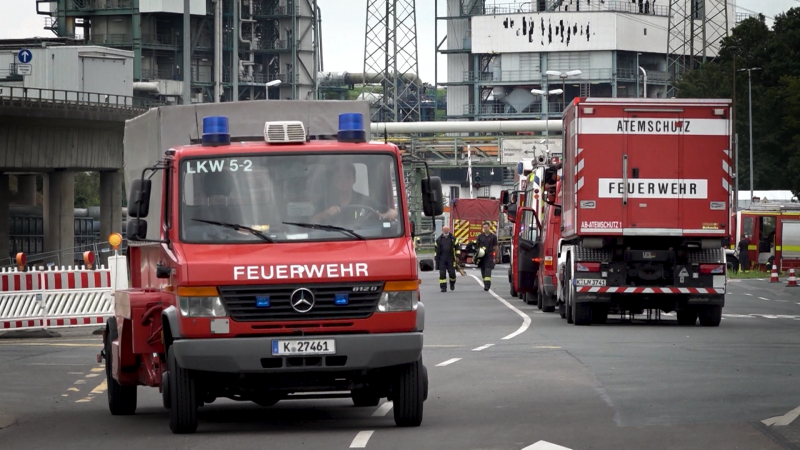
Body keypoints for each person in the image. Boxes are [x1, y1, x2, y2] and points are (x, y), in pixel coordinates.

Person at [311, 162, 398, 224]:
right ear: (334, 180)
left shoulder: (364, 200)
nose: (343, 181)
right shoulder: (326, 200)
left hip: (361, 239)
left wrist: (383, 216)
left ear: (354, 179)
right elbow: (313, 221)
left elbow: (393, 212)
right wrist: (326, 213)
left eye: (347, 177)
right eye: (339, 177)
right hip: (330, 240)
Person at [475, 221, 498, 291]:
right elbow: (477, 246)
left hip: (489, 255)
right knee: (483, 271)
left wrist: (495, 257)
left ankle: (487, 285)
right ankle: (485, 283)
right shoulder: (480, 236)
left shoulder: (493, 236)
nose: (485, 229)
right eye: (484, 227)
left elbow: (495, 247)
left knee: (488, 270)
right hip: (482, 256)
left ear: (489, 227)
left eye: (486, 227)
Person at [435, 226, 458, 292]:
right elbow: (436, 250)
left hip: (451, 259)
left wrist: (457, 256)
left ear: (449, 230)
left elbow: (457, 248)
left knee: (452, 273)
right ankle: (443, 287)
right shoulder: (439, 239)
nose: (446, 231)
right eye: (444, 230)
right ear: (442, 230)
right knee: (442, 273)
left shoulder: (453, 238)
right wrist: (436, 258)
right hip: (442, 259)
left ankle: (452, 283)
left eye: (447, 230)